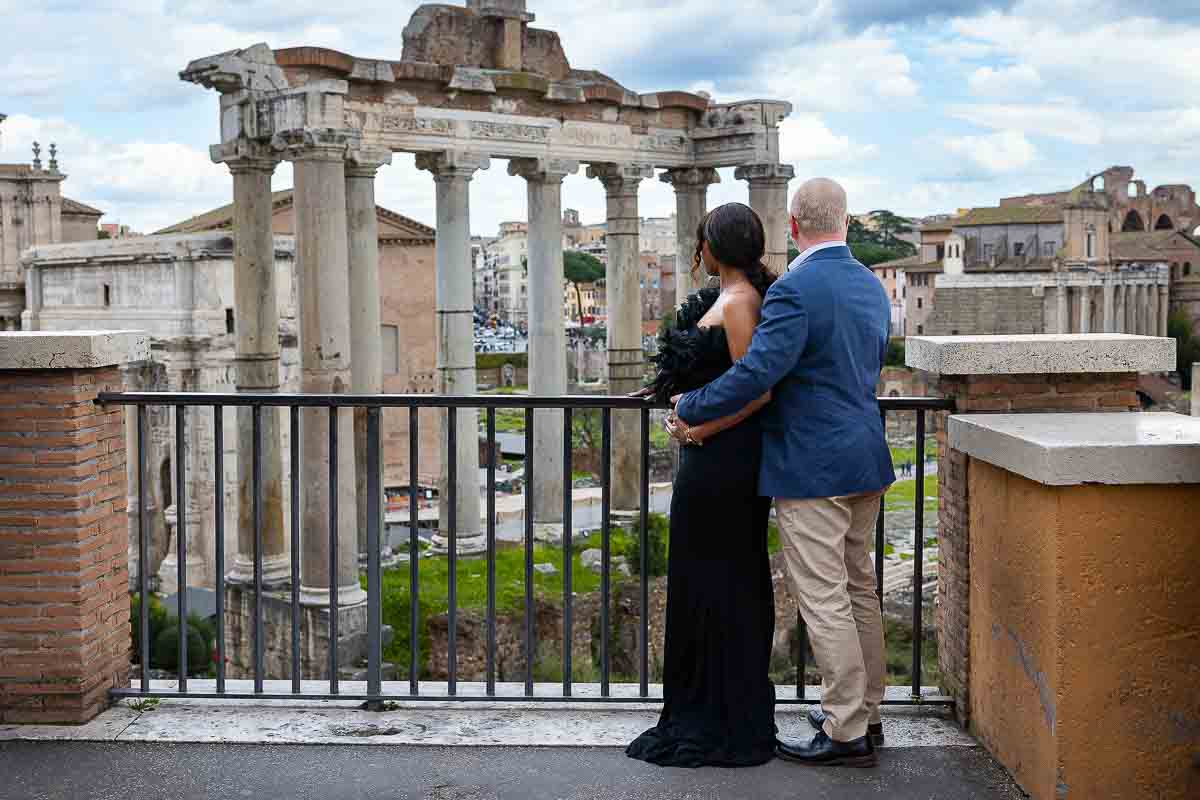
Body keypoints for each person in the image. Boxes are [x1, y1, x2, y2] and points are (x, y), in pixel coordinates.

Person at [672, 178, 894, 768]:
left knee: (824, 599)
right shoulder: (871, 287)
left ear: (792, 226)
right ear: (844, 223)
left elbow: (757, 375)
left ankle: (844, 729)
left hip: (812, 466)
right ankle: (868, 714)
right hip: (865, 458)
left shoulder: (795, 289)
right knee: (858, 589)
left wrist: (689, 407)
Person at [625, 202, 778, 768]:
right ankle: (705, 707)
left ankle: (724, 720)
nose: (698, 250)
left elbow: (758, 395)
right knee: (703, 583)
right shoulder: (728, 296)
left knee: (724, 585)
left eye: (702, 241)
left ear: (717, 246)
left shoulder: (740, 304)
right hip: (709, 464)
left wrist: (698, 431)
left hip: (724, 466)